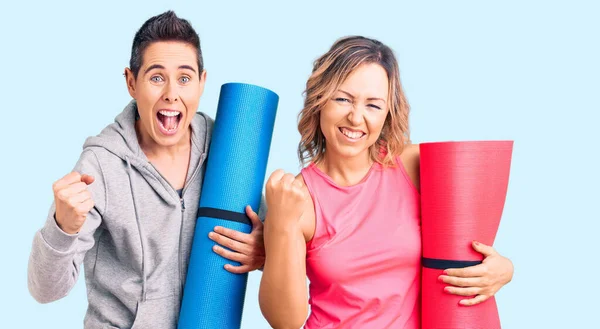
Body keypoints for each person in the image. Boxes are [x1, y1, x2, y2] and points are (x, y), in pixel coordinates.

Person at [27, 11, 266, 329]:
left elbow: (271, 237)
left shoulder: (228, 149)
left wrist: (267, 252)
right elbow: (44, 291)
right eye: (156, 77)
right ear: (131, 82)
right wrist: (62, 227)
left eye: (184, 78)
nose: (171, 93)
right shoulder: (101, 165)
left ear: (201, 83)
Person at [259, 36, 514, 329]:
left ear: (388, 113)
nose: (356, 118)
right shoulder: (298, 197)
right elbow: (285, 321)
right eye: (342, 99)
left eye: (373, 105)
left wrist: (504, 269)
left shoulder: (415, 166)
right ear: (319, 101)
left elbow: (471, 247)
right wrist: (280, 223)